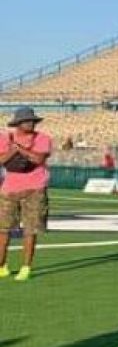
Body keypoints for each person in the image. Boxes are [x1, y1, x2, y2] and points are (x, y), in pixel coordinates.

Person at [0, 107, 54, 281]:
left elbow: (39, 159)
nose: (30, 123)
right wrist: (13, 150)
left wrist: (20, 149)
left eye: (32, 121)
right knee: (3, 229)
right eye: (26, 121)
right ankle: (1, 266)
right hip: (9, 189)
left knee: (30, 230)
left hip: (35, 189)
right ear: (17, 123)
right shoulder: (5, 138)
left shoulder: (43, 138)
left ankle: (26, 267)